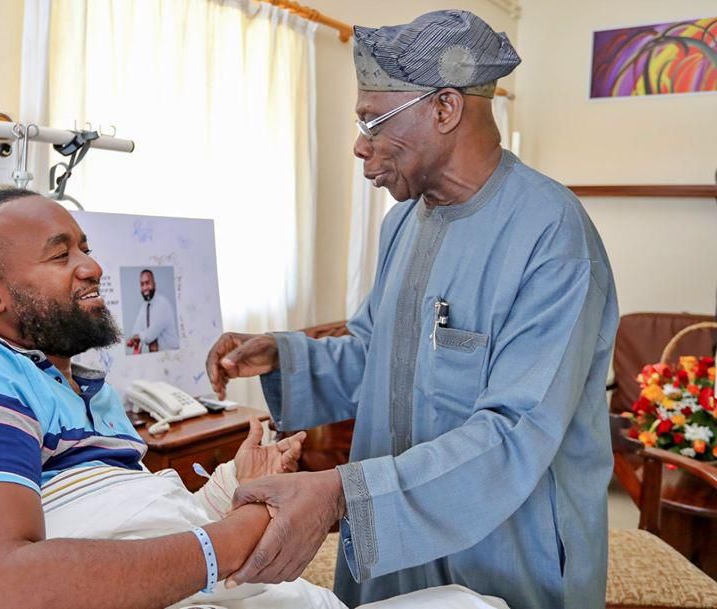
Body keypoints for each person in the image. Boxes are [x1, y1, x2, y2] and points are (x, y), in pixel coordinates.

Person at [0, 188, 509, 609]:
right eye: (61, 255)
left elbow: (134, 526)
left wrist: (233, 490)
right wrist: (236, 532)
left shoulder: (91, 392)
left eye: (84, 246)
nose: (90, 266)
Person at [206, 10, 618, 609]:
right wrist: (286, 355)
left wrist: (341, 494)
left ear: (445, 109)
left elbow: (515, 432)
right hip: (395, 551)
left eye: (373, 119)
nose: (359, 144)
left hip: (507, 553)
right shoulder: (404, 222)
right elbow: (380, 354)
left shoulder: (552, 237)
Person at [127, 268, 180, 354]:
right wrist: (134, 338)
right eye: (142, 284)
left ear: (154, 284)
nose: (144, 288)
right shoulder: (144, 307)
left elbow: (151, 334)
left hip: (172, 355)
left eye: (147, 283)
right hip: (155, 356)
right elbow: (136, 330)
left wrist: (137, 337)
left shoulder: (163, 304)